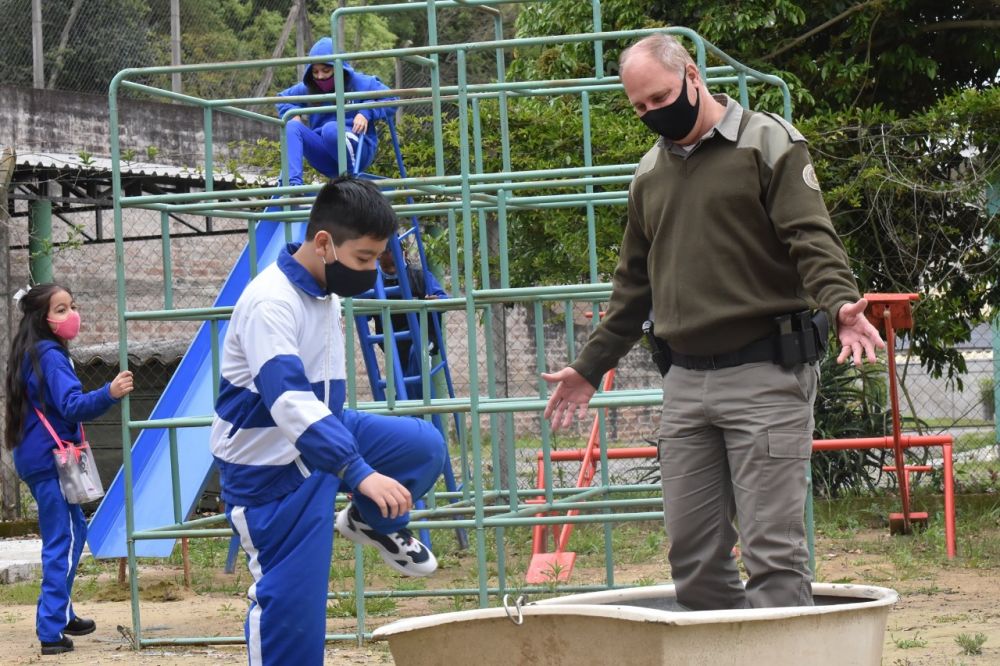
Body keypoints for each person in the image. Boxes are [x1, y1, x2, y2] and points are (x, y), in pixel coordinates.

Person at [541, 34, 885, 612]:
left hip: (765, 373)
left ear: (692, 75)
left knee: (773, 553)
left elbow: (811, 239)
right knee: (694, 558)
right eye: (640, 107)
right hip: (685, 383)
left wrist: (840, 304)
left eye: (661, 97)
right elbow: (631, 287)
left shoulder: (765, 142)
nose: (653, 113)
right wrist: (588, 367)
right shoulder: (649, 174)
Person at [210, 175, 446, 665]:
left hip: (324, 435)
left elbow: (318, 405)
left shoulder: (324, 288)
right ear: (324, 243)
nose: (371, 272)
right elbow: (290, 401)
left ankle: (367, 519)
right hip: (272, 473)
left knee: (423, 447)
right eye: (363, 259)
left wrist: (354, 465)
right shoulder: (269, 303)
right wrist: (358, 470)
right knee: (295, 626)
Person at [4, 283, 134, 655]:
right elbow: (72, 405)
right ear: (41, 319)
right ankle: (50, 628)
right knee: (65, 539)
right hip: (51, 460)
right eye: (61, 309)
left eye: (71, 306)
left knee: (72, 530)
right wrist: (109, 392)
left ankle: (61, 613)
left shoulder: (30, 352)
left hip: (38, 457)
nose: (72, 314)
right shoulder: (49, 355)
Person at [276, 37, 398, 184]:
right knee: (292, 126)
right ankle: (292, 186)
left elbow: (392, 99)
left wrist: (366, 112)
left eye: (326, 70)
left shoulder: (360, 82)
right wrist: (292, 113)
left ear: (339, 68)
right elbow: (282, 98)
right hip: (324, 155)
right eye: (315, 72)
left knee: (331, 129)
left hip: (358, 150)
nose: (320, 76)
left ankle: (352, 180)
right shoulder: (308, 88)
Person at [373, 248, 448, 399]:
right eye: (388, 268)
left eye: (396, 266)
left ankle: (406, 403)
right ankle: (407, 402)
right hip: (393, 338)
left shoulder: (419, 276)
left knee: (417, 354)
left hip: (423, 334)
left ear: (405, 254)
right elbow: (363, 313)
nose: (393, 271)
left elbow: (444, 299)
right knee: (402, 374)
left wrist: (437, 300)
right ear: (379, 257)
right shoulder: (375, 281)